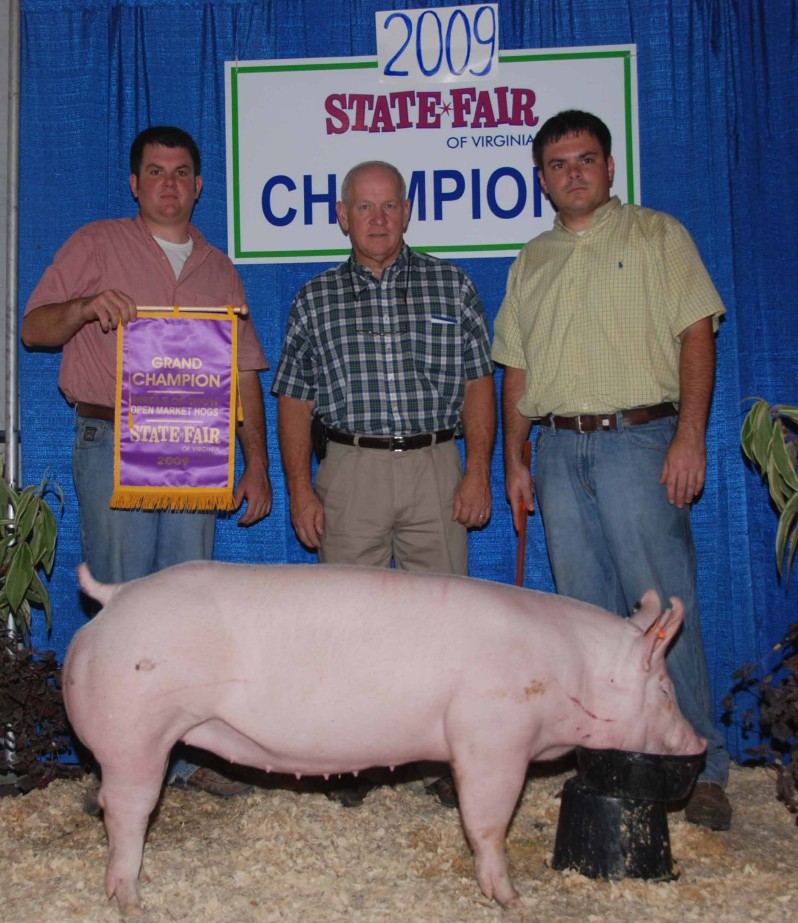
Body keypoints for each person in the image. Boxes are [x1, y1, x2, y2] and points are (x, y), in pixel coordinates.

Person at [492, 110, 732, 830]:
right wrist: (514, 456)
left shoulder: (659, 236)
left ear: (609, 167)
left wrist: (689, 436)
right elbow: (516, 367)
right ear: (542, 179)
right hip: (559, 449)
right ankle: (607, 761)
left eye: (585, 159)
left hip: (639, 438)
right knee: (586, 617)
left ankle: (701, 764)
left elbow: (696, 332)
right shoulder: (531, 259)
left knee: (662, 608)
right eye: (558, 164)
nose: (573, 173)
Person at [22, 125, 272, 798]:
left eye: (181, 172)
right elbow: (31, 328)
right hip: (112, 440)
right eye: (155, 172)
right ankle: (118, 764)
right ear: (134, 183)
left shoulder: (217, 266)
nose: (169, 183)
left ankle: (188, 761)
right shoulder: (96, 244)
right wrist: (81, 308)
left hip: (197, 446)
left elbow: (246, 372)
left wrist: (258, 465)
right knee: (125, 602)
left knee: (186, 605)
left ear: (197, 185)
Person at [272, 160, 495, 806]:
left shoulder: (451, 287)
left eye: (389, 206)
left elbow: (481, 385)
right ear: (341, 216)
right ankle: (349, 759)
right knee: (347, 622)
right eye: (363, 207)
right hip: (350, 468)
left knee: (446, 620)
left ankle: (445, 758)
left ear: (407, 212)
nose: (376, 219)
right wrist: (301, 486)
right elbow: (293, 399)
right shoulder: (314, 298)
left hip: (435, 466)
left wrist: (477, 468)